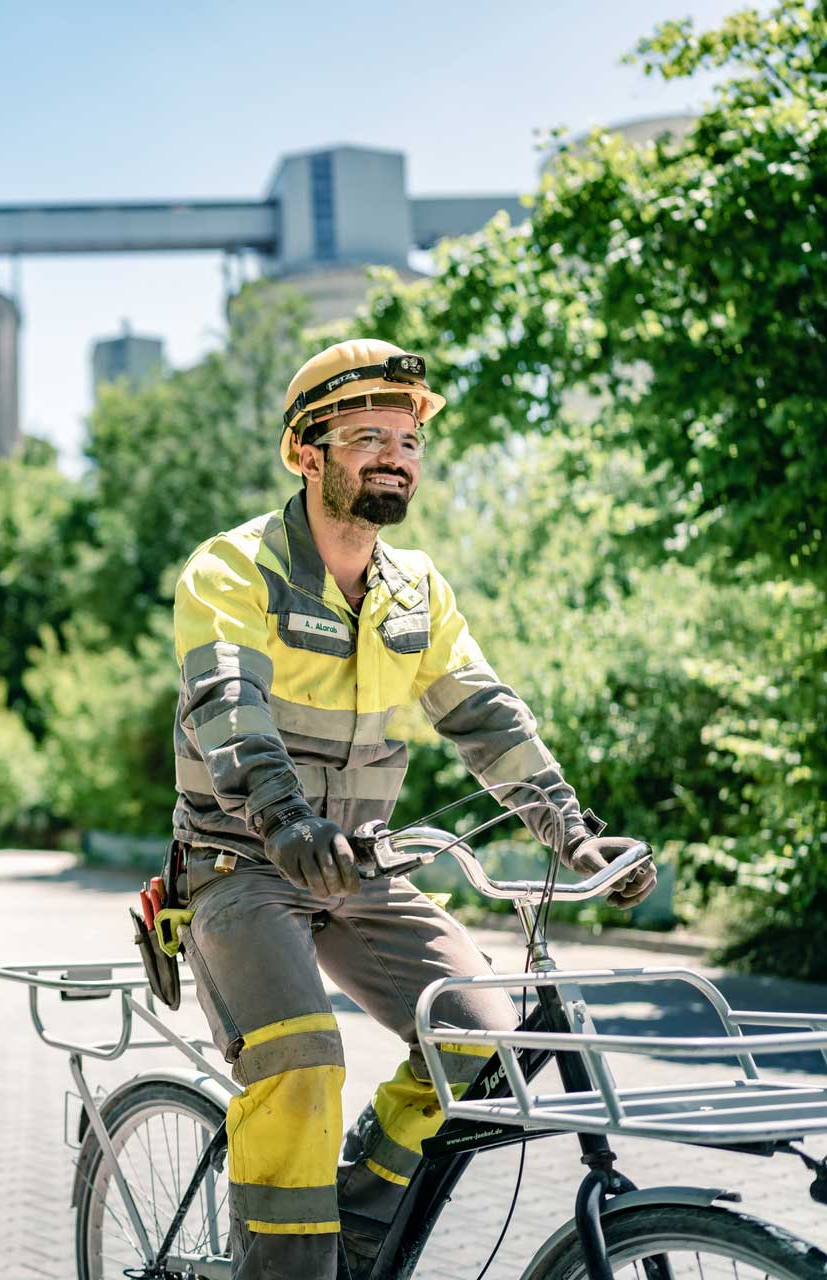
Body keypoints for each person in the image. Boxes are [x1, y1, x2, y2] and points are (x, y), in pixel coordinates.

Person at [168, 338, 656, 1279]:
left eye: (408, 438)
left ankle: (352, 1226)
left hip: (361, 867)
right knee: (303, 1062)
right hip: (244, 863)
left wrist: (575, 833)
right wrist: (284, 820)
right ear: (307, 455)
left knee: (482, 1041)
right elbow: (228, 707)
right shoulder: (235, 569)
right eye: (366, 436)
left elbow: (485, 716)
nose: (395, 454)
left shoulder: (414, 588)